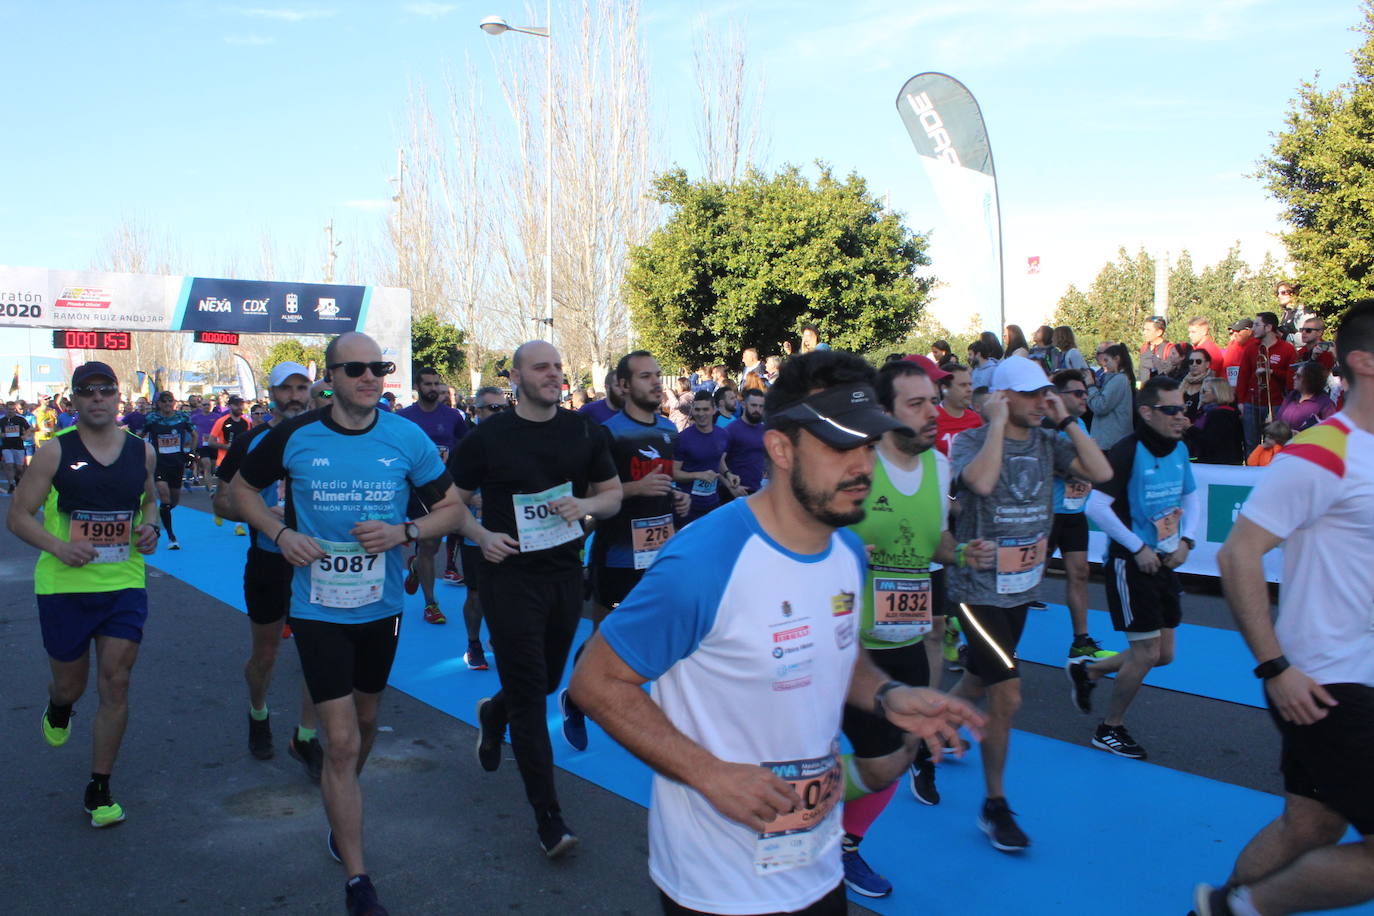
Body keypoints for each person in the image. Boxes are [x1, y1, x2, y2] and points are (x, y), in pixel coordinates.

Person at [568, 349, 985, 916]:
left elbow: (835, 649)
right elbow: (596, 681)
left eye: (867, 444)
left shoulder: (846, 547)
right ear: (781, 448)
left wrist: (888, 694)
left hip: (815, 867)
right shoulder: (705, 561)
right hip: (717, 889)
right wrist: (708, 773)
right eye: (841, 447)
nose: (862, 465)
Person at [232, 333, 471, 916]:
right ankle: (359, 879)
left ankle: (343, 800)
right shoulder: (294, 435)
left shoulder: (405, 436)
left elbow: (455, 508)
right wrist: (281, 533)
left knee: (365, 724)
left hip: (381, 608)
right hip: (316, 606)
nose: (371, 377)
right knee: (339, 740)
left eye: (379, 368)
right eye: (357, 368)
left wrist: (406, 533)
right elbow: (238, 490)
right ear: (331, 378)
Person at [1195, 299, 1374, 916]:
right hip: (1326, 680)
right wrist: (1275, 668)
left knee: (1310, 826)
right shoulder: (1324, 450)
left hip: (1358, 672)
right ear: (1363, 362)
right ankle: (1238, 910)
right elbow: (1238, 555)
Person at [451, 339, 622, 858]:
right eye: (541, 367)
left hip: (564, 572)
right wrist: (481, 537)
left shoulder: (584, 431)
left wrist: (586, 504)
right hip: (508, 576)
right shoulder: (489, 436)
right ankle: (549, 816)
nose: (553, 374)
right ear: (517, 377)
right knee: (530, 693)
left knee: (547, 679)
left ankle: (493, 712)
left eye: (557, 367)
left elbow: (612, 496)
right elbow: (450, 503)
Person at [838, 357, 995, 898]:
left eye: (935, 399)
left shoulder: (939, 466)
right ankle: (790, 814)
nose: (934, 413)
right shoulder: (853, 465)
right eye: (918, 404)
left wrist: (965, 554)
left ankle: (841, 842)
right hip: (844, 643)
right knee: (853, 757)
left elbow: (934, 544)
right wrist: (850, 548)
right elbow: (805, 539)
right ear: (884, 413)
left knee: (899, 755)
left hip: (902, 637)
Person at [947, 355, 1111, 850]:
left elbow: (1100, 471)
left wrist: (1066, 419)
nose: (1043, 400)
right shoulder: (970, 441)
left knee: (978, 678)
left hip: (1022, 589)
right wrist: (996, 424)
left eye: (1046, 392)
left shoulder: (1049, 441)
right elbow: (979, 482)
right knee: (1008, 692)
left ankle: (921, 738)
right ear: (1004, 397)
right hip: (978, 590)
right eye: (1033, 394)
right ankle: (994, 805)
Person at [6, 361, 160, 828]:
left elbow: (149, 499)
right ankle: (59, 704)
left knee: (116, 682)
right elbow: (18, 515)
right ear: (73, 400)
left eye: (106, 390)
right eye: (87, 391)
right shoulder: (54, 453)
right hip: (64, 588)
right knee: (71, 685)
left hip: (123, 584)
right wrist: (59, 547)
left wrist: (150, 525)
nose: (97, 398)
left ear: (118, 398)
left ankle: (99, 787)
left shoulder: (143, 452)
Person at [567, 351, 689, 751]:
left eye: (658, 375)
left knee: (666, 634)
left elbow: (664, 486)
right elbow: (586, 496)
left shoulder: (670, 430)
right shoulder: (608, 432)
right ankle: (577, 696)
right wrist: (635, 489)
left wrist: (678, 500)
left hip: (661, 553)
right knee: (608, 638)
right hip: (617, 554)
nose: (656, 383)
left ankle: (665, 720)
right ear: (624, 386)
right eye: (645, 377)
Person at [1074, 376, 1197, 760]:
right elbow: (1095, 507)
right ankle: (1109, 729)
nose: (1181, 417)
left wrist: (1186, 542)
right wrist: (1138, 546)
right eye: (1171, 410)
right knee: (1145, 653)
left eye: (1183, 408)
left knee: (1164, 654)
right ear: (1147, 412)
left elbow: (1192, 497)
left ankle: (1089, 672)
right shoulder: (1127, 451)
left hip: (1164, 560)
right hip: (1130, 564)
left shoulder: (1178, 448)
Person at [211, 362, 322, 772]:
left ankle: (306, 736)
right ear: (271, 394)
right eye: (285, 388)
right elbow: (221, 502)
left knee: (317, 652)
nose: (294, 395)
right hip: (269, 561)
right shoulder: (252, 440)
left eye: (301, 387)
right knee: (266, 655)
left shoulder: (324, 438)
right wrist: (260, 513)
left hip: (315, 563)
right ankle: (258, 712)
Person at [1048, 370, 1115, 661]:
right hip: (1046, 514)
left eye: (1086, 392)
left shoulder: (1079, 426)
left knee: (1080, 573)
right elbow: (1066, 466)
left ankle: (1081, 642)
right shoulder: (1046, 427)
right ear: (1059, 397)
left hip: (1073, 513)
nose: (1084, 397)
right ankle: (1001, 643)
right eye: (1077, 393)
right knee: (1026, 582)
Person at [397, 367, 470, 626]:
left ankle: (417, 564)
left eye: (437, 383)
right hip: (414, 491)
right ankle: (431, 603)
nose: (433, 388)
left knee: (431, 545)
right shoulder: (404, 417)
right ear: (418, 387)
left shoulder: (453, 417)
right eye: (428, 384)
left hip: (443, 490)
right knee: (427, 545)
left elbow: (467, 446)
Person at [454, 386, 510, 671]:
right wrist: (470, 499)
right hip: (475, 533)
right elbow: (449, 497)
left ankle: (501, 639)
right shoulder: (467, 445)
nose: (500, 413)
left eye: (503, 408)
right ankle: (473, 642)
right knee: (476, 594)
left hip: (510, 532)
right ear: (476, 412)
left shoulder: (517, 442)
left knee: (508, 592)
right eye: (493, 408)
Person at [1236, 312, 1298, 455]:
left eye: (1257, 325)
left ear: (1269, 327)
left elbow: (1291, 377)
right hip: (1252, 402)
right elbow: (1243, 377)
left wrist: (1271, 372)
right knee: (1251, 444)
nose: (1253, 329)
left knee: (1276, 443)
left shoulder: (1287, 349)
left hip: (1277, 404)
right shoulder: (1251, 348)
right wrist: (1241, 401)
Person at [140, 391, 195, 550]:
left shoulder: (182, 417)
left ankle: (160, 514)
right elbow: (140, 435)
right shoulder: (152, 419)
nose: (167, 404)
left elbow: (195, 435)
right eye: (164, 402)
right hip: (158, 463)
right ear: (159, 404)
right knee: (164, 497)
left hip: (177, 463)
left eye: (170, 401)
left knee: (173, 501)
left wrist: (191, 453)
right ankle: (171, 537)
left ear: (174, 402)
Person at [1084, 343, 1136, 449]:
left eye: (1107, 360)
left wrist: (1090, 385)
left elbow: (1100, 406)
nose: (1104, 364)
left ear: (1116, 359)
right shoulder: (1117, 379)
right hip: (1112, 440)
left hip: (1112, 441)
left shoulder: (1119, 379)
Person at [1189, 377, 1246, 465]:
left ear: (1218, 393)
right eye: (1201, 391)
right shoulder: (1204, 411)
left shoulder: (1223, 414)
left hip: (1221, 466)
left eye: (1204, 391)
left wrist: (1189, 428)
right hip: (1206, 461)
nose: (1201, 394)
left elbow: (1210, 441)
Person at [723, 387, 767, 496]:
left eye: (760, 406)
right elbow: (718, 460)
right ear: (744, 404)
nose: (757, 409)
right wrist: (730, 485)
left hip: (757, 491)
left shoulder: (764, 430)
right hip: (734, 492)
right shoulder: (731, 430)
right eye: (753, 405)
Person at [1275, 362, 1337, 434]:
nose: (1294, 378)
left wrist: (1300, 435)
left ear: (1310, 379)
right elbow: (1277, 420)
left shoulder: (1325, 404)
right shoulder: (1292, 395)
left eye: (1298, 376)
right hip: (1284, 442)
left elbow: (1329, 432)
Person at [935, 363, 982, 456]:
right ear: (945, 389)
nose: (970, 389)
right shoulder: (931, 419)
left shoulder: (977, 420)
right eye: (963, 385)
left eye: (970, 384)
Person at [1294, 316, 1336, 385]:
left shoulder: (1327, 352)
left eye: (1308, 330)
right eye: (1302, 330)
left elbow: (1323, 378)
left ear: (1319, 333)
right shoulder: (1300, 352)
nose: (1303, 333)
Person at [3, 400, 33, 492]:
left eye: (12, 409)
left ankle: (17, 477)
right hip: (7, 446)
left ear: (15, 409)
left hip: (18, 445)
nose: (10, 411)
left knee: (19, 468)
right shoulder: (2, 420)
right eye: (8, 409)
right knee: (9, 465)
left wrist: (25, 436)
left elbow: (29, 429)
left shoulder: (20, 419)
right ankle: (11, 485)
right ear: (5, 409)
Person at [1139, 316, 1179, 382]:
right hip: (1144, 390)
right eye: (1144, 329)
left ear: (1159, 332)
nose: (1144, 333)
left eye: (1148, 330)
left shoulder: (1169, 349)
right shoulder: (1144, 348)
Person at [1222, 318, 1256, 388]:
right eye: (1233, 332)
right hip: (1230, 390)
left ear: (1249, 332)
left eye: (1238, 331)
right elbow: (1226, 368)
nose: (1235, 334)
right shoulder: (1231, 345)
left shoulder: (1256, 346)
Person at [1181, 350, 1213, 420]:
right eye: (1191, 362)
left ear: (1207, 364)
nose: (1194, 364)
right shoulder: (1183, 382)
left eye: (1198, 361)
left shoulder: (1213, 385)